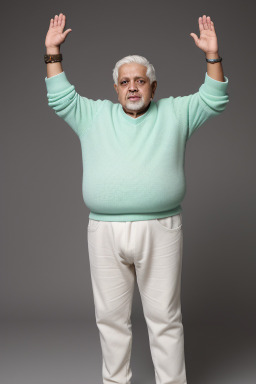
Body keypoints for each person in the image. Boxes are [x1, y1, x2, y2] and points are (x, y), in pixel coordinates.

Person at [44, 13, 229, 384]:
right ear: (115, 89)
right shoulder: (94, 115)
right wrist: (52, 52)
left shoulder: (176, 113)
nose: (132, 87)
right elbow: (60, 98)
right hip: (104, 232)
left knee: (164, 317)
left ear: (153, 87)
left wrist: (212, 57)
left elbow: (215, 99)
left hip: (161, 228)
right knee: (110, 318)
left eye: (139, 81)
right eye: (124, 82)